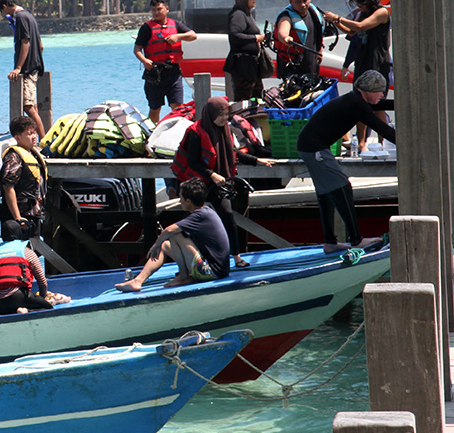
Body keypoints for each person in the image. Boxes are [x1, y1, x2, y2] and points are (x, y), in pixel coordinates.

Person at [170, 97, 274, 269]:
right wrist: (212, 175)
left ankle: (237, 257)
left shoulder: (225, 129)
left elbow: (234, 153)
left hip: (217, 183)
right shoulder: (196, 131)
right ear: (211, 114)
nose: (225, 118)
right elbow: (193, 162)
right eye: (222, 115)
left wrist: (257, 160)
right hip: (198, 182)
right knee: (195, 221)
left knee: (227, 215)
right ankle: (191, 262)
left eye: (227, 114)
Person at [297, 70, 395, 253]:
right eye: (380, 90)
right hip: (314, 147)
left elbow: (380, 104)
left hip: (310, 145)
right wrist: (412, 144)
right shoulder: (357, 105)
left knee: (326, 193)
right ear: (367, 90)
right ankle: (356, 239)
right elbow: (383, 128)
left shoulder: (355, 99)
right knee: (342, 186)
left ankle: (330, 242)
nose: (382, 94)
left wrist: (402, 103)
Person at [116, 178, 231, 292]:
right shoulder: (206, 211)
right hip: (216, 270)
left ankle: (183, 276)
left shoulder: (200, 215)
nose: (179, 200)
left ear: (188, 201)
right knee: (165, 245)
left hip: (211, 272)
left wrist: (155, 245)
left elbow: (169, 230)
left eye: (180, 197)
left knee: (175, 234)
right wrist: (160, 245)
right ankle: (138, 281)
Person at [325, 0, 392, 154]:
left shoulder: (381, 12)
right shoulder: (362, 14)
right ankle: (361, 144)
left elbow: (362, 27)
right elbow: (352, 31)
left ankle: (385, 143)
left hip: (377, 64)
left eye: (361, 3)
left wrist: (338, 18)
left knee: (378, 105)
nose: (359, 7)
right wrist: (335, 22)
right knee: (360, 104)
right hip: (362, 64)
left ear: (370, 0)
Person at [134, 0, 197, 123]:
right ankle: (152, 134)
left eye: (159, 9)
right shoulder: (146, 28)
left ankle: (178, 135)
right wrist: (144, 61)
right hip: (155, 74)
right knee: (155, 109)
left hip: (174, 74)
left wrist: (178, 37)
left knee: (178, 107)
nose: (156, 13)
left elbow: (193, 35)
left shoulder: (176, 25)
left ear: (166, 9)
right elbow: (137, 49)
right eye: (154, 10)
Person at [0, 0, 46, 139]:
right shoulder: (29, 16)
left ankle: (43, 142)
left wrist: (18, 68)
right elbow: (40, 45)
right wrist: (36, 60)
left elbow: (25, 42)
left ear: (5, 7)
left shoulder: (20, 17)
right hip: (34, 66)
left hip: (27, 69)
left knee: (28, 107)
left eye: (2, 11)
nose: (4, 14)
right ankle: (35, 141)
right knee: (33, 107)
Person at [0, 115, 50, 242]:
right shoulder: (13, 157)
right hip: (20, 216)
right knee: (21, 254)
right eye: (29, 134)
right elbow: (8, 187)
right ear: (17, 137)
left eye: (34, 132)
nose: (34, 137)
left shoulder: (33, 153)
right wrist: (18, 217)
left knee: (34, 252)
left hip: (34, 213)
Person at [0, 241, 69, 314]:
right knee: (47, 307)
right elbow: (42, 282)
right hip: (18, 296)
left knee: (8, 305)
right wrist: (42, 297)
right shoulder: (26, 252)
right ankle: (26, 311)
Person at [223, 0, 265, 102]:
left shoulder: (247, 13)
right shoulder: (238, 14)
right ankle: (241, 120)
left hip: (251, 64)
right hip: (243, 64)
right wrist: (256, 38)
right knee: (244, 99)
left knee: (257, 97)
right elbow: (234, 35)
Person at [274, 0, 324, 80]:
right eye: (298, 2)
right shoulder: (286, 16)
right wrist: (286, 38)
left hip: (312, 67)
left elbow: (317, 35)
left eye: (305, 1)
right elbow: (282, 32)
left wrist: (319, 51)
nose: (303, 5)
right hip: (293, 70)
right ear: (290, 1)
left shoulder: (313, 11)